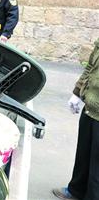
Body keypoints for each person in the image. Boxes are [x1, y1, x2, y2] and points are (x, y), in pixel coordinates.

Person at [53, 38, 99, 200]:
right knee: (84, 154)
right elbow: (91, 67)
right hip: (90, 105)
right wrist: (78, 91)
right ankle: (76, 190)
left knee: (97, 167)